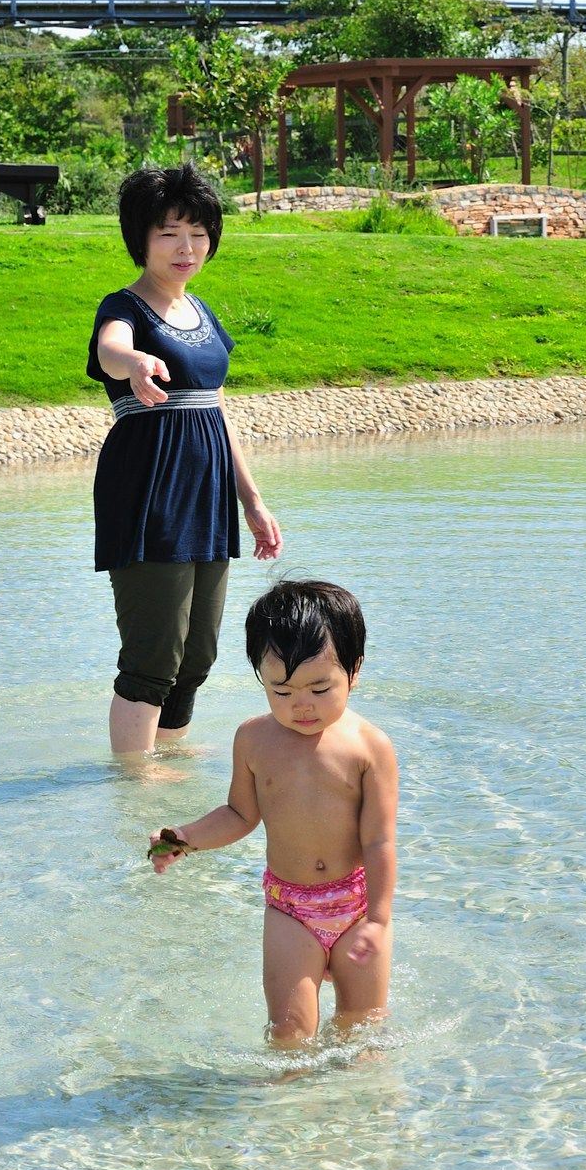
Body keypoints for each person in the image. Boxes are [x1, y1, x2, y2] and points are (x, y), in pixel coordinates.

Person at [149, 581, 399, 1047]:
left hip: (357, 907)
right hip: (290, 908)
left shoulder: (370, 747)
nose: (300, 705)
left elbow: (380, 841)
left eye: (320, 688)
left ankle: (360, 1117)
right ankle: (282, 1115)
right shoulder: (254, 740)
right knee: (288, 1035)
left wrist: (380, 920)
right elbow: (239, 814)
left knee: (363, 1031)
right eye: (280, 690)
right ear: (260, 677)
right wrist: (184, 837)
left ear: (355, 671)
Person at [90, 164, 281, 758]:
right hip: (150, 490)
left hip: (208, 491)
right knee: (154, 656)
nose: (185, 247)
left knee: (197, 654)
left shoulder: (202, 315)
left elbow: (218, 413)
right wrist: (137, 363)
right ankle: (132, 784)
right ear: (141, 239)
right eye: (169, 232)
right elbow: (111, 348)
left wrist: (251, 500)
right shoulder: (124, 308)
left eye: (197, 232)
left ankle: (168, 758)